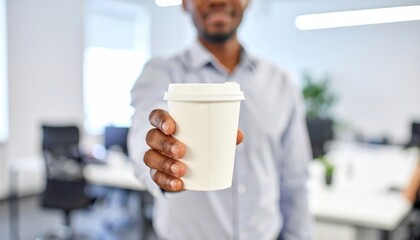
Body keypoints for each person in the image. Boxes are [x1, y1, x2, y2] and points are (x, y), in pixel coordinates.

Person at [128, 0, 312, 239]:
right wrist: (162, 166)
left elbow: (294, 181)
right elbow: (144, 132)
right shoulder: (161, 73)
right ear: (185, 3)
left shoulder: (281, 83)